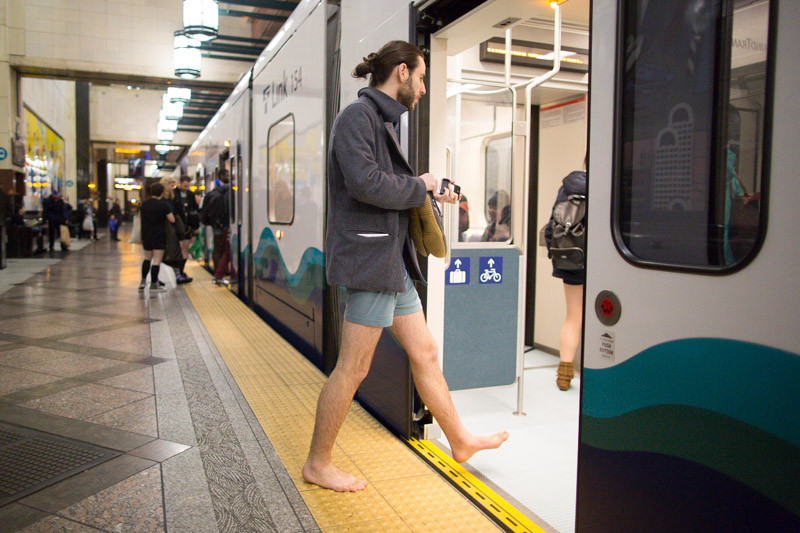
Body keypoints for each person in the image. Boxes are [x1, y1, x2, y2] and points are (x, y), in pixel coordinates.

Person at [301, 40, 508, 492]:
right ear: (401, 72)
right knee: (352, 368)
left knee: (425, 352)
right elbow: (366, 184)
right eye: (422, 77)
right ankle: (318, 462)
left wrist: (429, 189)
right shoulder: (357, 118)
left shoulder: (378, 121)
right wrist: (422, 184)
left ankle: (460, 439)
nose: (423, 88)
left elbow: (388, 184)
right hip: (370, 261)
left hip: (389, 263)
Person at [544, 163, 587, 391]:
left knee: (574, 316)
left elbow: (552, 227)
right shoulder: (608, 183)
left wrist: (557, 256)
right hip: (601, 261)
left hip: (571, 258)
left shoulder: (568, 186)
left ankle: (564, 374)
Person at [138, 182, 175, 292]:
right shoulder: (163, 205)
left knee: (147, 258)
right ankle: (154, 284)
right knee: (157, 260)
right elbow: (172, 219)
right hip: (159, 235)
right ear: (162, 192)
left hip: (146, 234)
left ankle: (143, 281)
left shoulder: (144, 204)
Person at [160, 177, 193, 284]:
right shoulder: (164, 199)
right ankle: (177, 276)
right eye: (171, 185)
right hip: (167, 229)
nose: (173, 187)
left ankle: (179, 275)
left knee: (174, 253)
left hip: (174, 229)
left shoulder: (172, 197)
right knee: (163, 255)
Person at [201, 169, 231, 285]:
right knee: (222, 249)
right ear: (222, 176)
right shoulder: (228, 191)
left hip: (215, 224)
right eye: (227, 175)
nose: (229, 177)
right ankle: (219, 274)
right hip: (224, 224)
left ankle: (218, 272)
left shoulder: (214, 191)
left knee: (218, 248)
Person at [171, 176, 200, 282]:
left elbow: (195, 209)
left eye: (188, 186)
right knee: (179, 249)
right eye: (184, 185)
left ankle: (181, 272)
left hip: (188, 226)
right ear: (180, 183)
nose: (186, 188)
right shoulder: (173, 194)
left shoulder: (191, 195)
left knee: (185, 248)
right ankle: (178, 273)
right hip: (177, 226)